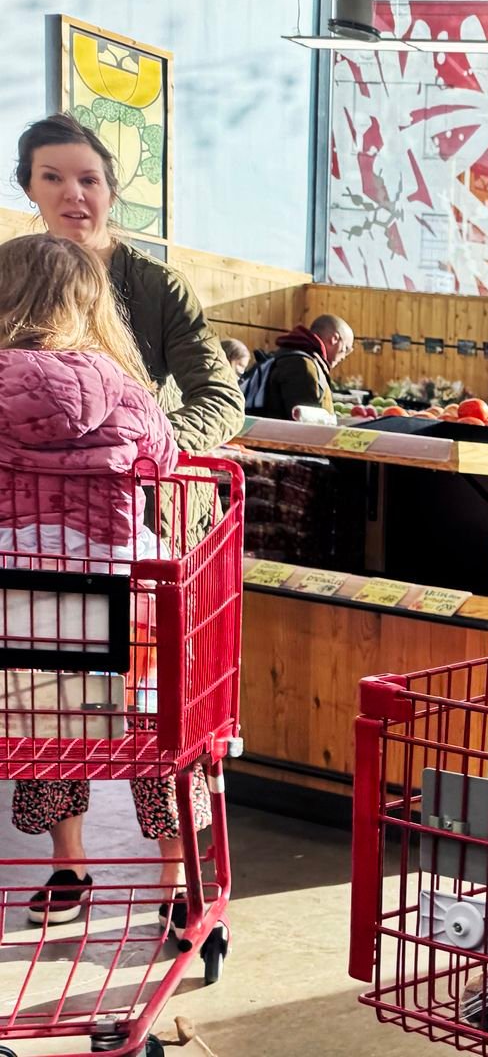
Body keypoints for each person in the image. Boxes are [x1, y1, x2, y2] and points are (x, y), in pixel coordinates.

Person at [0, 235, 211, 939]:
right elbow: (165, 457)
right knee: (162, 727)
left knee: (44, 712)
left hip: (16, 624)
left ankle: (69, 864)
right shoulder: (124, 389)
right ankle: (176, 878)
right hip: (121, 625)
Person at [16, 114, 242, 455]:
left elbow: (220, 399)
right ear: (29, 188)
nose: (72, 193)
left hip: (141, 490)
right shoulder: (12, 276)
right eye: (52, 177)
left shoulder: (160, 286)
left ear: (111, 193)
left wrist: (140, 442)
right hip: (27, 490)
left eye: (89, 180)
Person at [249, 314, 354, 420]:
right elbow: (304, 421)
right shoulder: (301, 365)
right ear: (334, 339)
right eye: (346, 348)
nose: (344, 357)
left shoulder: (287, 356)